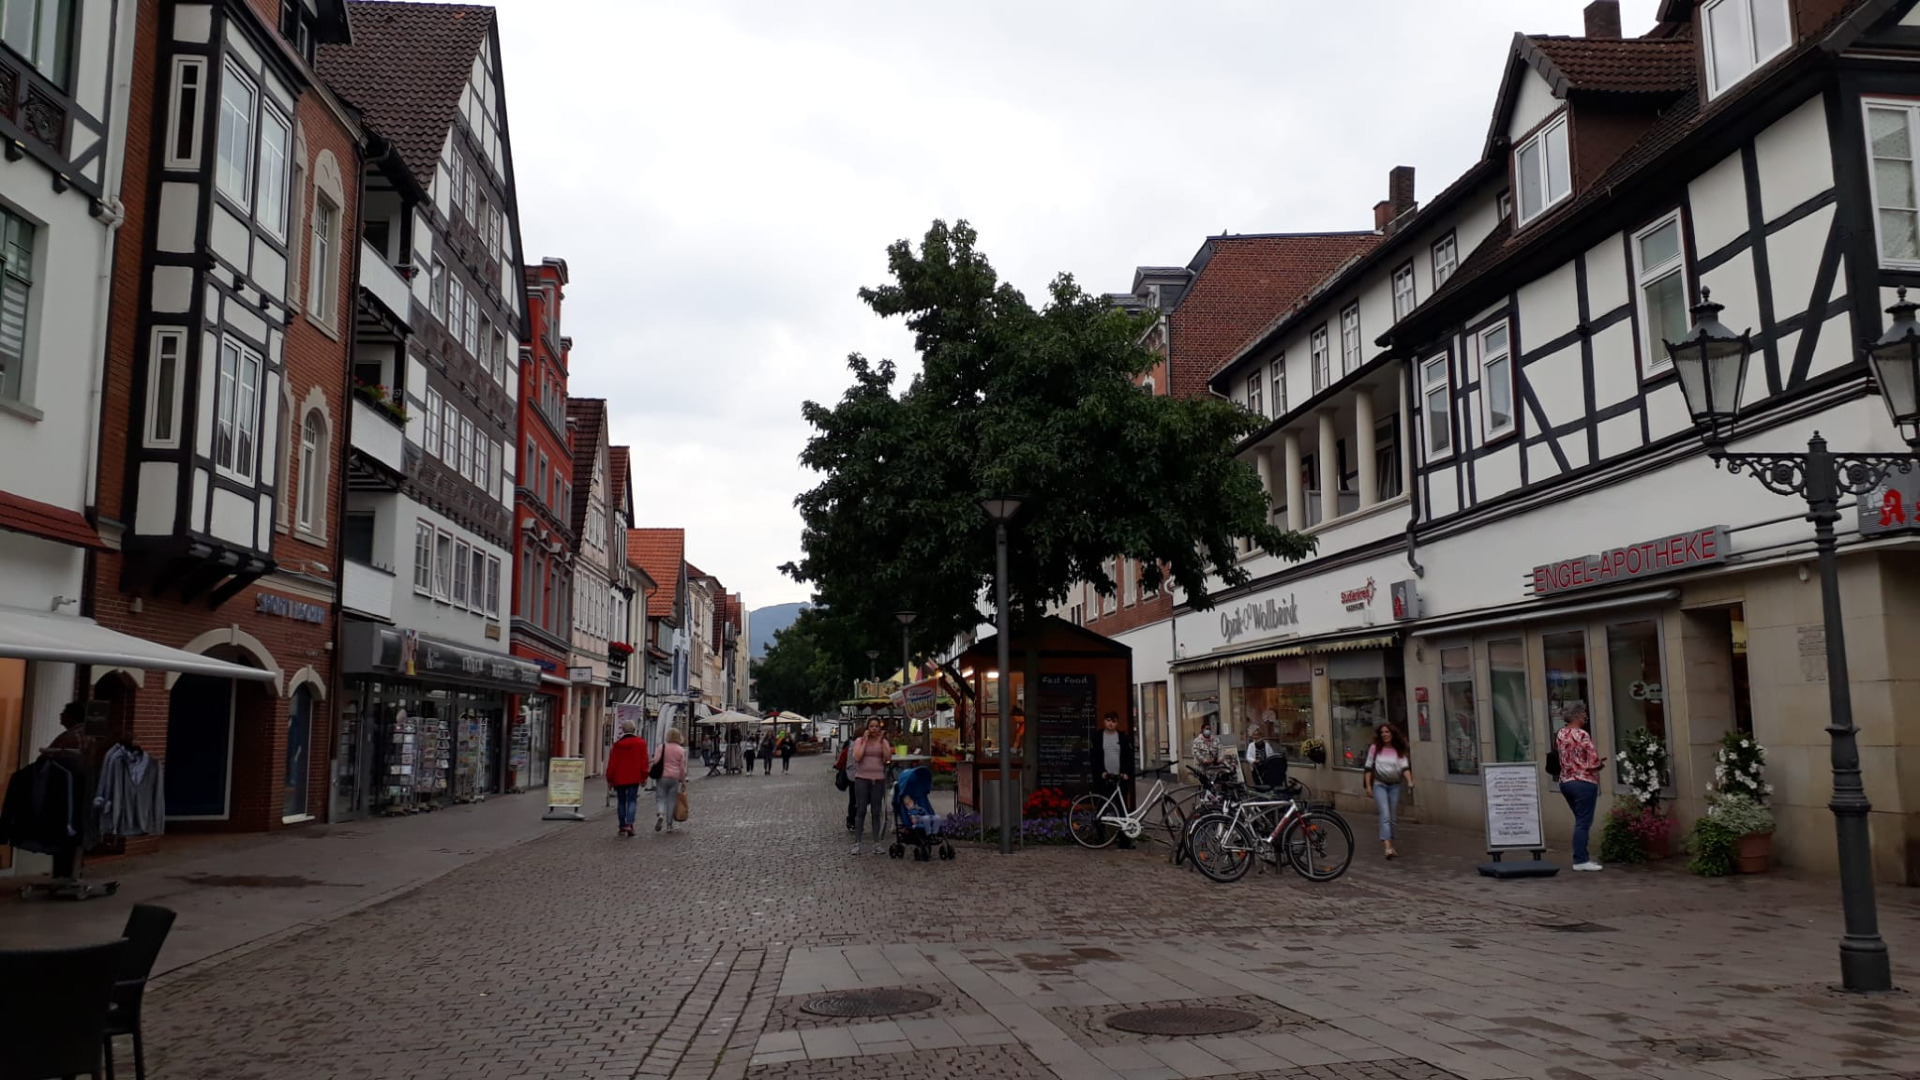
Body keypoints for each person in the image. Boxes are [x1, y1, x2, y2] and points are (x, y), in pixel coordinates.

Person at [1556, 705, 1604, 871]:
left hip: (1565, 781)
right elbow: (1593, 761)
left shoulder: (1561, 734)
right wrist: (1600, 764)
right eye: (1583, 714)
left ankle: (1581, 857)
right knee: (1583, 822)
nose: (1585, 718)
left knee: (1580, 820)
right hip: (1583, 781)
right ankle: (1581, 860)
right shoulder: (1582, 734)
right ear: (1576, 716)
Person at [1362, 723, 1414, 859]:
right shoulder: (1375, 748)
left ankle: (1391, 844)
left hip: (1395, 785)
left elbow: (1404, 767)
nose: (1384, 734)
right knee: (1385, 814)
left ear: (1392, 733)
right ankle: (1388, 847)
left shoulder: (1398, 749)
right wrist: (1368, 787)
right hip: (1379, 785)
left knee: (1392, 817)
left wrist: (1409, 781)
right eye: (1382, 732)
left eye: (1387, 732)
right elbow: (1368, 767)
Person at [1088, 711, 1136, 849]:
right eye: (1108, 720)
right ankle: (1100, 838)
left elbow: (1128, 757)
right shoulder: (1098, 737)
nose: (1111, 723)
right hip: (1104, 779)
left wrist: (1126, 773)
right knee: (1101, 808)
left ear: (1117, 723)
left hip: (1119, 779)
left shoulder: (1122, 738)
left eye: (1114, 721)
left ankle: (1124, 841)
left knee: (1122, 810)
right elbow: (1094, 758)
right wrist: (1101, 772)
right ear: (1104, 721)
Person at [848, 717, 893, 854]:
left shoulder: (883, 741)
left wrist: (882, 741)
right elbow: (857, 757)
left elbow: (888, 758)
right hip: (862, 778)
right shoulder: (859, 741)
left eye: (876, 726)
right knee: (861, 810)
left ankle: (876, 843)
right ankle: (857, 843)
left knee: (876, 811)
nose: (874, 729)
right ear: (867, 728)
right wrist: (865, 741)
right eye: (871, 726)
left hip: (878, 779)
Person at [604, 719, 650, 837]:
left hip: (619, 778)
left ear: (623, 730)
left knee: (621, 802)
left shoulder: (617, 745)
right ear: (634, 729)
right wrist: (644, 777)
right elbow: (644, 762)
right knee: (632, 800)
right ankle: (629, 823)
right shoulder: (641, 743)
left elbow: (612, 764)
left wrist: (610, 779)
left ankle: (622, 826)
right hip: (634, 777)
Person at [655, 728, 688, 832]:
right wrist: (683, 780)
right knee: (671, 800)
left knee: (661, 798)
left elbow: (656, 761)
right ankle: (669, 824)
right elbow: (682, 767)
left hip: (662, 776)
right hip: (674, 777)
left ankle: (661, 814)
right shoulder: (680, 750)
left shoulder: (661, 747)